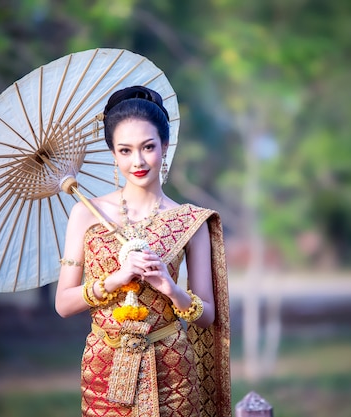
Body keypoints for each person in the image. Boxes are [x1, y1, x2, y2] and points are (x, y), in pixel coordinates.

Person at [55, 85, 231, 417]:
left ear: (165, 146)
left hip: (173, 373)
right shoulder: (86, 213)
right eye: (125, 150)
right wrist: (114, 280)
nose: (137, 161)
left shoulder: (190, 222)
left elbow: (207, 315)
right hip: (104, 369)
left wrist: (171, 288)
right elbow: (63, 304)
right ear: (113, 154)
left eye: (148, 147)